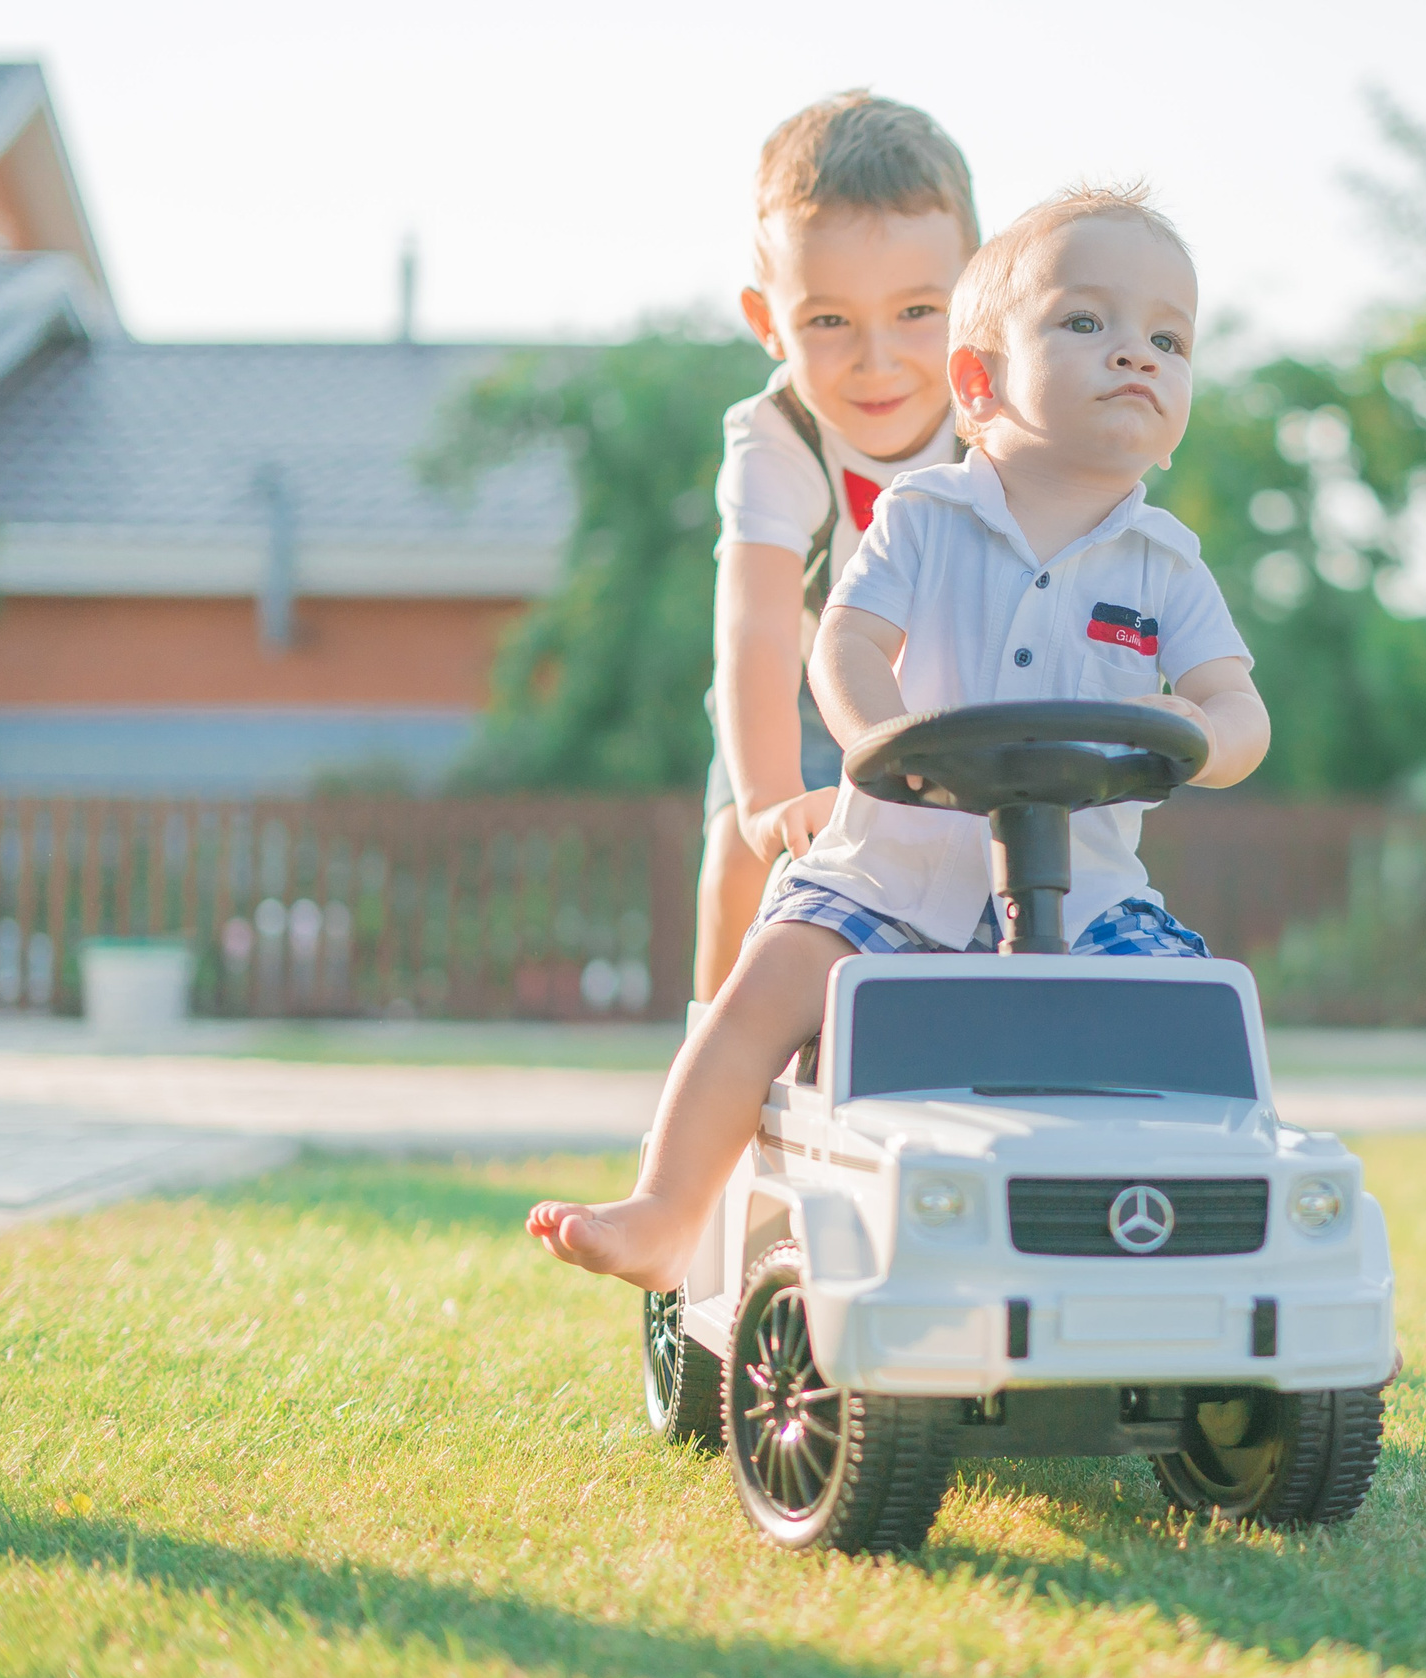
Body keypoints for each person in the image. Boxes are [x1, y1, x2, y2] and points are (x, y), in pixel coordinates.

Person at [531, 184, 1269, 1291]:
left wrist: (1200, 732)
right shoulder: (922, 518)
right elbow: (846, 646)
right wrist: (885, 741)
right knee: (763, 986)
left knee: (1198, 1026)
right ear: (977, 382)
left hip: (1091, 896)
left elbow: (1239, 713)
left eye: (1168, 337)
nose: (1135, 355)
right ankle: (665, 1212)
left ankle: (1264, 1257)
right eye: (1087, 323)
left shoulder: (1168, 564)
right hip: (888, 874)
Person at [695, 91, 980, 1000]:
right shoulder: (779, 437)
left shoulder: (1003, 423)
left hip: (949, 684)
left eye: (917, 312)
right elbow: (758, 635)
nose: (877, 358)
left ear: (979, 296)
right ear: (766, 320)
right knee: (743, 849)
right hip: (804, 697)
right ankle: (712, 1053)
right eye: (828, 321)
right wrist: (769, 800)